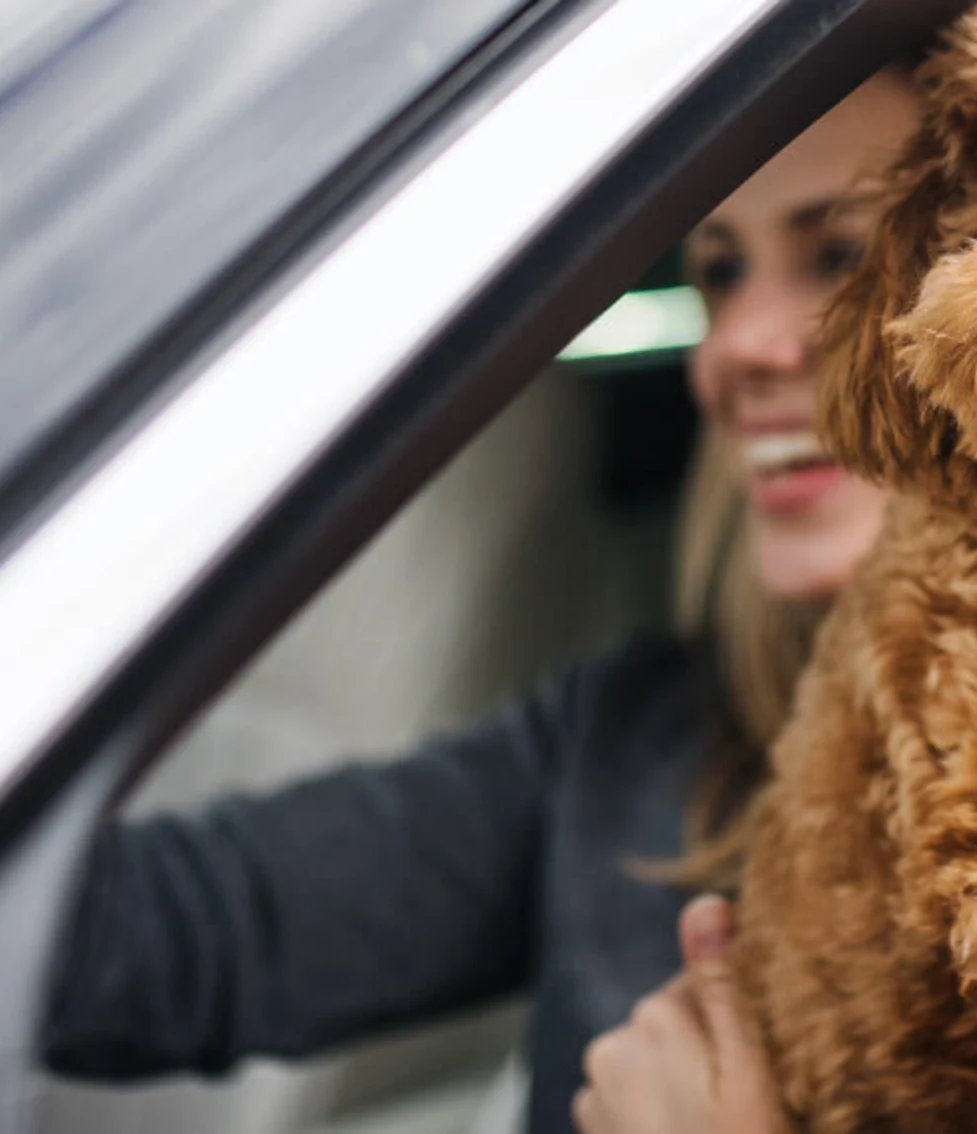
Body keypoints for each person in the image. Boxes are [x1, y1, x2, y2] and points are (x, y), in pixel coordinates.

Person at [41, 68, 923, 1134]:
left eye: (837, 256)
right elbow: (172, 934)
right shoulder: (638, 738)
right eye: (721, 273)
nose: (735, 346)